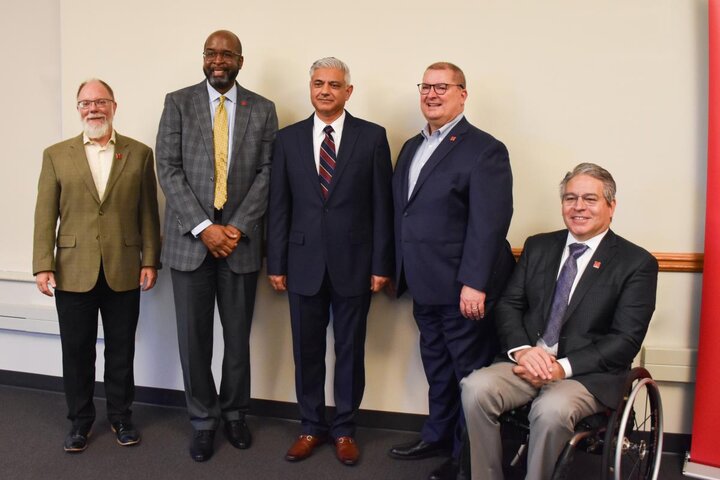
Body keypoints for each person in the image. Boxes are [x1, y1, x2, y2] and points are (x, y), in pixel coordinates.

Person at [460, 163, 659, 480]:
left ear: (611, 206)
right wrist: (524, 351)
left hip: (585, 375)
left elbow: (625, 340)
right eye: (570, 198)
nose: (578, 207)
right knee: (475, 388)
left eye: (590, 199)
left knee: (550, 410)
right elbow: (509, 304)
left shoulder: (636, 263)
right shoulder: (539, 246)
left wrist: (560, 368)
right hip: (528, 361)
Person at [155, 30, 278, 462]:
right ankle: (203, 421)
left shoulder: (262, 109)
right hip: (191, 243)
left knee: (238, 338)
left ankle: (235, 414)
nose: (218, 59)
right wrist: (205, 227)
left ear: (241, 60)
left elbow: (268, 173)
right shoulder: (178, 102)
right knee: (194, 340)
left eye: (227, 53)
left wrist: (236, 228)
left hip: (239, 244)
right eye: (211, 52)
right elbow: (167, 169)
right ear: (203, 58)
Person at [389, 62, 515, 480]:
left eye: (442, 87)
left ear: (463, 94)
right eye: (425, 86)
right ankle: (437, 435)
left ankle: (465, 459)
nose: (432, 94)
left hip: (464, 290)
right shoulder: (411, 146)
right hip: (423, 285)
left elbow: (490, 222)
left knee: (468, 376)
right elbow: (404, 214)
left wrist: (474, 284)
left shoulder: (484, 149)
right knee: (437, 368)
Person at [267, 57, 394, 466]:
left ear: (348, 91)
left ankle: (344, 429)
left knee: (350, 349)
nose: (325, 90)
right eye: (318, 83)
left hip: (355, 263)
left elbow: (381, 206)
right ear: (310, 88)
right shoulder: (287, 139)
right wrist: (276, 263)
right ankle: (309, 426)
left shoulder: (372, 137)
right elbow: (279, 206)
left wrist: (381, 264)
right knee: (306, 350)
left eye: (334, 84)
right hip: (302, 262)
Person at [33, 79, 161, 453]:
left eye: (101, 101)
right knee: (76, 353)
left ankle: (122, 418)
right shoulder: (56, 154)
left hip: (124, 268)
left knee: (121, 352)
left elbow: (148, 213)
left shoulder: (139, 153)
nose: (94, 109)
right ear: (78, 109)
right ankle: (79, 423)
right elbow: (45, 214)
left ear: (114, 106)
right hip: (73, 270)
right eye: (86, 103)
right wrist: (43, 264)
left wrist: (150, 258)